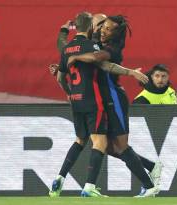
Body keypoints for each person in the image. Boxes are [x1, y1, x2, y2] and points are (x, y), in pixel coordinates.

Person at [65, 15, 162, 197]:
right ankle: (151, 166)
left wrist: (74, 56)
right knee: (107, 147)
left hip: (114, 98)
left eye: (109, 29)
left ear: (116, 34)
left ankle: (150, 186)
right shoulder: (94, 41)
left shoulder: (113, 49)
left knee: (121, 146)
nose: (104, 30)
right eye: (103, 27)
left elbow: (96, 58)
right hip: (100, 100)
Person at [49, 11, 110, 198]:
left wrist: (69, 94)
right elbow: (103, 57)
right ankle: (89, 186)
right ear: (91, 26)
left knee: (80, 140)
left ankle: (59, 178)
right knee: (100, 141)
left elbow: (60, 77)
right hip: (93, 99)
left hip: (75, 100)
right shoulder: (93, 45)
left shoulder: (67, 49)